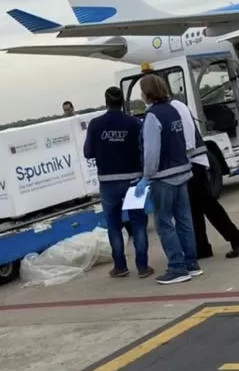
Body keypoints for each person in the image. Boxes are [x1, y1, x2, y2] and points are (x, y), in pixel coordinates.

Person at [134, 73, 200, 285]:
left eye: (142, 90)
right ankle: (191, 263)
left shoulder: (152, 116)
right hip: (182, 171)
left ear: (148, 92)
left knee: (164, 223)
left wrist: (146, 176)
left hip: (163, 176)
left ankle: (176, 267)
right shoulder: (173, 111)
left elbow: (152, 151)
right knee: (184, 220)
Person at [83, 87, 152, 278]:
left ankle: (120, 266)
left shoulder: (96, 125)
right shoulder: (135, 123)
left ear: (106, 102)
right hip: (133, 180)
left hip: (108, 182)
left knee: (114, 226)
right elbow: (144, 149)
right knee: (138, 223)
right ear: (123, 102)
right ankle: (143, 267)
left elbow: (88, 152)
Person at [171, 95, 239, 260]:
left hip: (192, 162)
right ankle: (204, 246)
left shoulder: (174, 108)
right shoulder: (178, 105)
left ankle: (235, 237)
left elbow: (187, 141)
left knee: (205, 204)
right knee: (199, 206)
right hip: (196, 161)